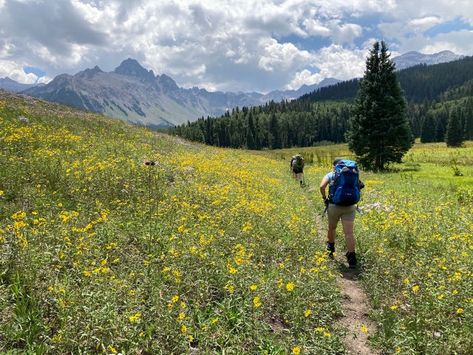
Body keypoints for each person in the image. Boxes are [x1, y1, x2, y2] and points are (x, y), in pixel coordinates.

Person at [319, 158, 363, 268]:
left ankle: (331, 250)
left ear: (334, 166)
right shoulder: (352, 173)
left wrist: (325, 198)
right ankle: (352, 258)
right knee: (349, 233)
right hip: (350, 206)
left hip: (334, 206)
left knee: (332, 228)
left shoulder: (331, 174)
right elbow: (360, 186)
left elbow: (322, 186)